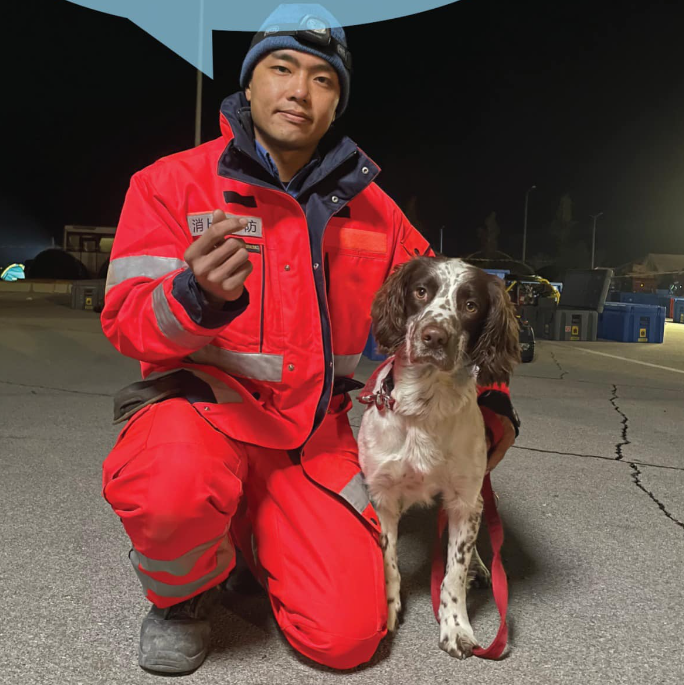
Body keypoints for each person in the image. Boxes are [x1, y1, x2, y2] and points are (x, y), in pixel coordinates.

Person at [101, 3, 519, 675]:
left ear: (336, 102)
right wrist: (193, 297)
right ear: (250, 82)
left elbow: (451, 307)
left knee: (350, 634)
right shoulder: (168, 185)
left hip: (313, 441)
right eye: (281, 68)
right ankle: (181, 596)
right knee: (168, 480)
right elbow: (123, 319)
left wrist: (492, 397)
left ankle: (257, 538)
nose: (299, 90)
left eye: (323, 79)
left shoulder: (376, 209)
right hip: (204, 418)